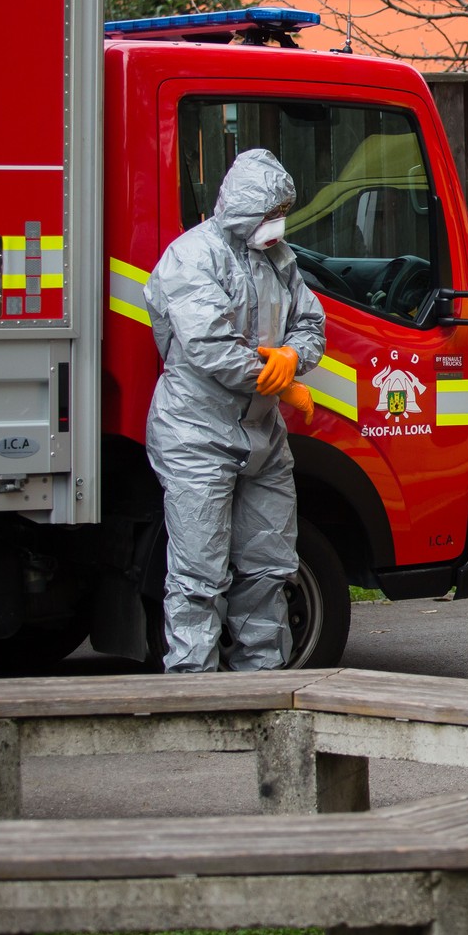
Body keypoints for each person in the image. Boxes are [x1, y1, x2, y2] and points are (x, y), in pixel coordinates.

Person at [144, 148, 326, 672]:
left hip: (262, 435)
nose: (278, 223)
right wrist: (280, 385)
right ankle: (193, 696)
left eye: (281, 212)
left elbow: (311, 324)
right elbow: (208, 346)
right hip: (196, 433)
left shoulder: (279, 258)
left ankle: (264, 686)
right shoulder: (192, 258)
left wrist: (293, 356)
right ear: (244, 211)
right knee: (199, 574)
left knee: (270, 568)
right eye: (272, 212)